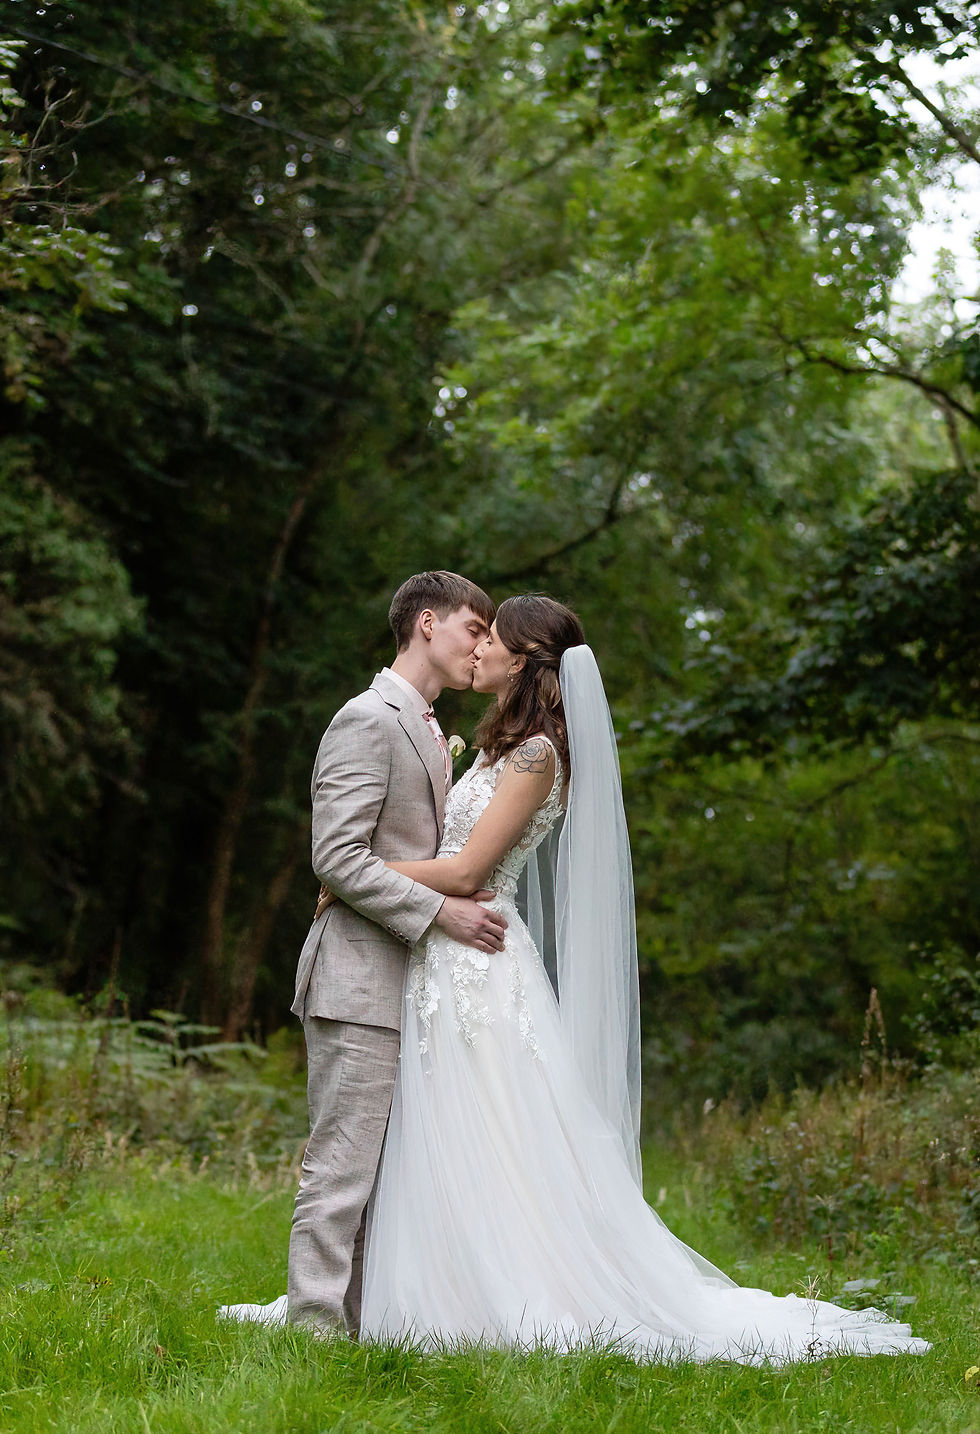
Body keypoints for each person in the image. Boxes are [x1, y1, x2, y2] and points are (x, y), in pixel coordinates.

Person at [224, 593, 930, 1363]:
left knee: (492, 1133)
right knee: (435, 1142)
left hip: (478, 962)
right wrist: (374, 879)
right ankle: (403, 1294)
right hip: (437, 961)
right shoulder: (489, 746)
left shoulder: (536, 756)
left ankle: (489, 1296)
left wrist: (355, 874)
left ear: (524, 659)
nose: (480, 649)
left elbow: (464, 869)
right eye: (475, 630)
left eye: (492, 638)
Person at [229, 570, 500, 1337]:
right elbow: (337, 858)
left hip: (406, 981)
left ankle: (359, 1323)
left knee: (386, 1177)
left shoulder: (426, 728)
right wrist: (439, 911)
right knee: (341, 1168)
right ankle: (314, 1331)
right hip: (354, 976)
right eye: (472, 628)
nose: (481, 645)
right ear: (424, 623)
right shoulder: (367, 719)